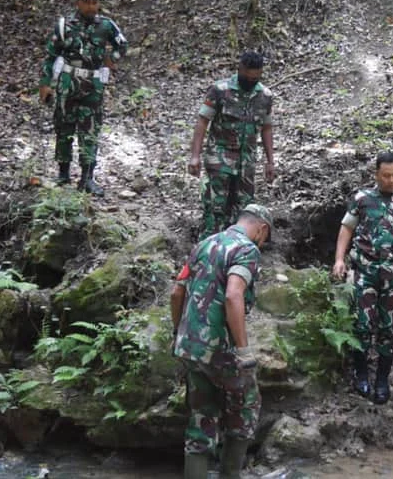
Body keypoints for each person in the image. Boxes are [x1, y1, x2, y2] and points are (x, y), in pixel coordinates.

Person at [170, 203, 273, 479]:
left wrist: (178, 332)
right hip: (219, 348)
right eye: (265, 238)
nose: (263, 243)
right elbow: (232, 295)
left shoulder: (204, 244)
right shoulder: (246, 250)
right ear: (261, 229)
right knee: (246, 407)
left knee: (201, 420)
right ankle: (230, 474)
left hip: (190, 347)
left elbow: (177, 293)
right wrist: (243, 350)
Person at [332, 151, 393, 404]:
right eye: (386, 175)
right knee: (362, 323)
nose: (391, 180)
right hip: (365, 270)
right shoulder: (362, 199)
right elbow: (346, 228)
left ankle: (382, 380)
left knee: (389, 327)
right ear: (376, 174)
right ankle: (361, 374)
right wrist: (339, 259)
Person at [38, 0, 127, 197]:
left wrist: (111, 58)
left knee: (90, 131)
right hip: (68, 82)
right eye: (87, 2)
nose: (91, 6)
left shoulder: (106, 25)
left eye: (94, 2)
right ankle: (63, 174)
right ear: (78, 3)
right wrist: (46, 84)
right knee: (63, 127)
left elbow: (122, 45)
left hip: (92, 85)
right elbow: (51, 55)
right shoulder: (64, 26)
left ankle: (87, 178)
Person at [188, 51, 275, 238]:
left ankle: (237, 246)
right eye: (248, 77)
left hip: (247, 162)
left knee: (243, 209)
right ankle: (210, 243)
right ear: (240, 69)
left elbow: (266, 128)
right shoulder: (220, 91)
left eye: (255, 78)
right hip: (219, 158)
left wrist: (270, 161)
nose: (251, 82)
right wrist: (195, 156)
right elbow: (202, 121)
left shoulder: (265, 96)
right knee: (215, 206)